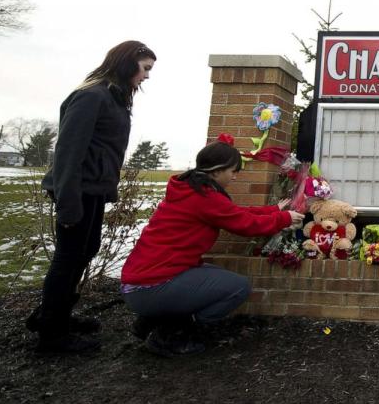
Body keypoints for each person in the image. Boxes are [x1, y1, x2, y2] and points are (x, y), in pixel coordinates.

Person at [26, 40, 157, 352]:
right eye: (146, 68)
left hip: (93, 190)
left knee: (85, 251)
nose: (148, 76)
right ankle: (52, 335)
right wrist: (68, 205)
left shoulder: (113, 98)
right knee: (68, 259)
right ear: (128, 62)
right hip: (77, 190)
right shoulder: (91, 95)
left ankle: (52, 315)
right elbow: (68, 153)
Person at [120, 138, 304, 357]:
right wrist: (284, 218)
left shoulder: (191, 190)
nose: (235, 177)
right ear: (217, 171)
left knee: (216, 275)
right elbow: (244, 224)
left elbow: (235, 213)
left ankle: (151, 320)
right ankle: (170, 334)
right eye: (233, 171)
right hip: (150, 285)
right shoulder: (204, 196)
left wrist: (274, 210)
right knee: (238, 287)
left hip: (143, 280)